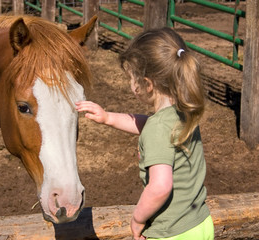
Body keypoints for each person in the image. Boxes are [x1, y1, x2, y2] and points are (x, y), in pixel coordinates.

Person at [75, 27, 214, 240]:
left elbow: (160, 186)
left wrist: (138, 218)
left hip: (171, 233)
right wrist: (108, 117)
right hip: (201, 225)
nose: (130, 84)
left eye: (131, 78)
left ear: (147, 84)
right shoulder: (184, 113)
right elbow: (148, 124)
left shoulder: (158, 128)